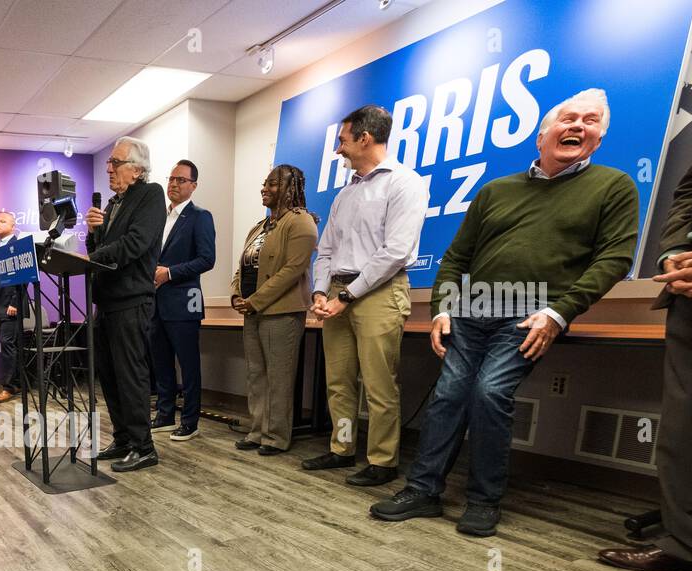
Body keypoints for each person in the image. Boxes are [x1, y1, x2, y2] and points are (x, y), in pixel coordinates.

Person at [370, 90, 639, 537]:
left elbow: (613, 259)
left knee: (490, 393)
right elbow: (457, 258)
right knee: (448, 396)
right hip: (471, 309)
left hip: (533, 312)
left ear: (598, 138)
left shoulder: (614, 186)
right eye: (567, 118)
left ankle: (483, 500)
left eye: (590, 122)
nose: (577, 126)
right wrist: (442, 310)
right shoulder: (496, 190)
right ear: (542, 136)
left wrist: (559, 314)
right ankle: (422, 491)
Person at [307, 104, 429, 486]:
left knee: (379, 384)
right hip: (338, 293)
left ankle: (382, 461)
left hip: (378, 292)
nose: (339, 149)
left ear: (365, 137)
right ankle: (342, 449)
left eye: (343, 141)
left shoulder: (404, 183)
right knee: (339, 382)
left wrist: (348, 297)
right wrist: (320, 291)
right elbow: (325, 250)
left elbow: (395, 251)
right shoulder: (346, 194)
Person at [597, 147, 692, 571]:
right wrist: (673, 254)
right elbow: (687, 193)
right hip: (687, 297)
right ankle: (684, 546)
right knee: (682, 432)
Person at [85, 136, 166, 472]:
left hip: (131, 301)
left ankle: (143, 446)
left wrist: (89, 255)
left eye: (115, 163)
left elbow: (134, 244)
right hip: (106, 302)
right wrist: (94, 233)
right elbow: (105, 246)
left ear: (136, 169)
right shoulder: (113, 204)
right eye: (109, 163)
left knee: (130, 375)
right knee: (110, 374)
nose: (109, 169)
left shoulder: (150, 195)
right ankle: (123, 438)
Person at [230, 164, 319, 456]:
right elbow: (243, 266)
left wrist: (255, 300)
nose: (264, 189)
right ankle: (257, 431)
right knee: (256, 374)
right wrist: (236, 294)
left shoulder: (301, 222)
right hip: (252, 310)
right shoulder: (260, 226)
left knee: (279, 377)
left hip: (281, 311)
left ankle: (275, 437)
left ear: (290, 188)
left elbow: (292, 270)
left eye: (273, 184)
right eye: (264, 183)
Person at [150, 159, 216, 441]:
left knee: (188, 364)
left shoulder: (200, 217)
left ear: (193, 186)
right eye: (171, 179)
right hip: (155, 302)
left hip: (184, 300)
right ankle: (165, 414)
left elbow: (207, 259)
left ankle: (190, 420)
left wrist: (170, 273)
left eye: (181, 180)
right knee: (161, 362)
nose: (174, 184)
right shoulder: (158, 218)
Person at [0, 210, 28, 404]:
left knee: (7, 345)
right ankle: (17, 383)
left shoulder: (17, 246)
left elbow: (23, 277)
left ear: (13, 226)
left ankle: (9, 387)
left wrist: (14, 303)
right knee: (9, 346)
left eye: (2, 221)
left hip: (11, 307)